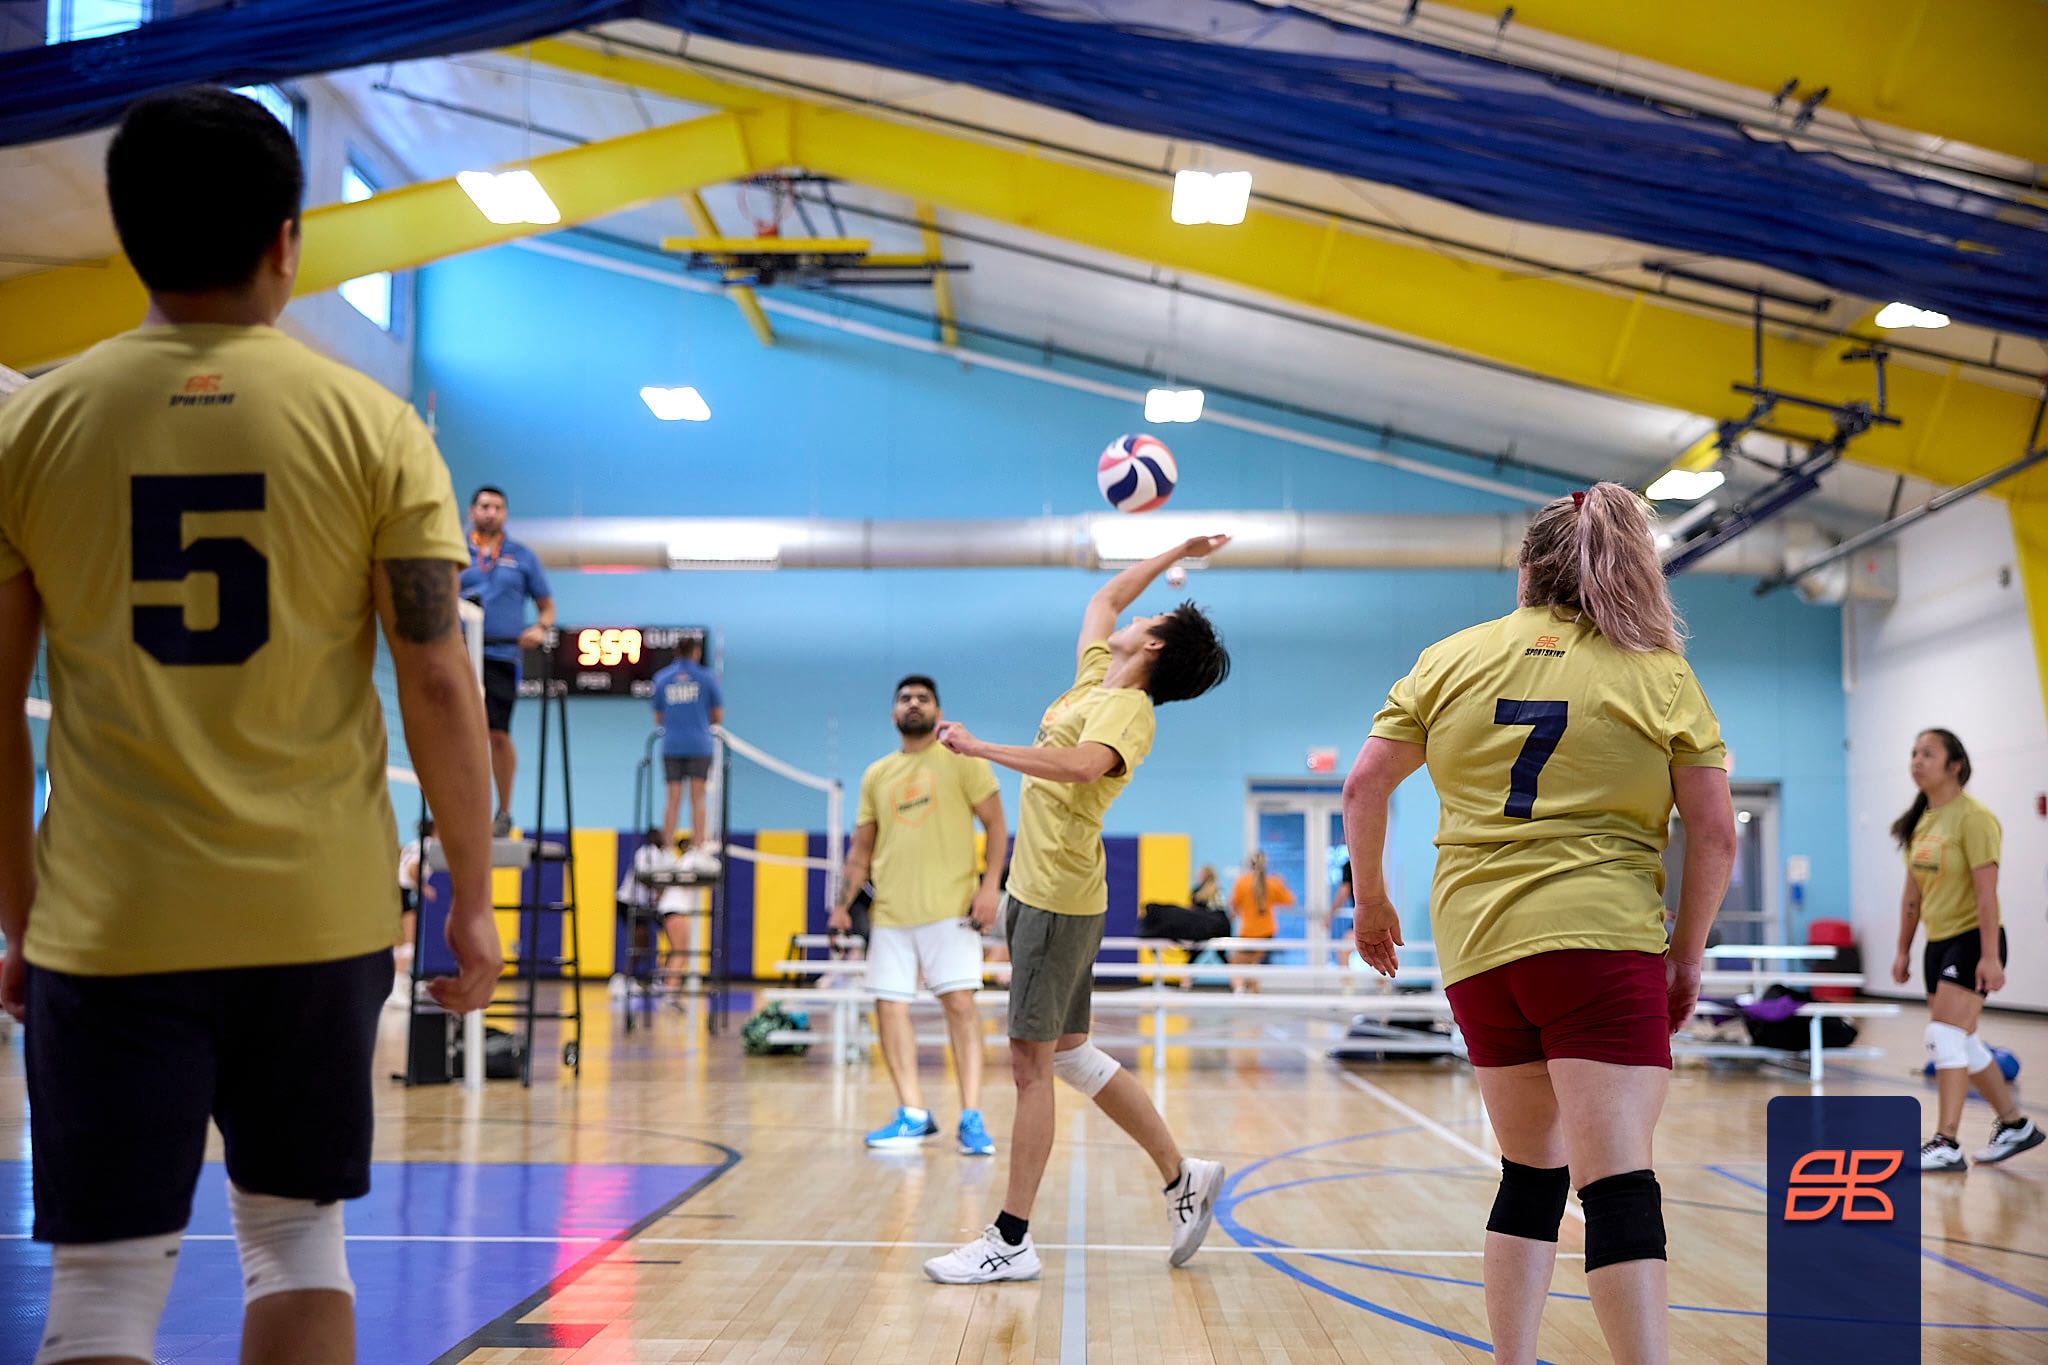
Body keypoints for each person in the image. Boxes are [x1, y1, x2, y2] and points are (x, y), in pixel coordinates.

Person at [0, 87, 500, 1365]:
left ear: (126, 240)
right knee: (296, 1245)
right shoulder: (375, 427)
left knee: (102, 1292)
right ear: (289, 239)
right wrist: (472, 897)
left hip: (108, 921)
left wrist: (21, 916)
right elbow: (438, 682)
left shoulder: (32, 425)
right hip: (314, 917)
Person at [1343, 484, 1736, 1365]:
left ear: (1527, 571)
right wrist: (1686, 958)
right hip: (1599, 941)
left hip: (1478, 948)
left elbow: (1363, 784)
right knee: (1620, 1185)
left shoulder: (1449, 658)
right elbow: (1713, 832)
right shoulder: (1656, 671)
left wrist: (1372, 899)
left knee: (1530, 1174)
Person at [921, 534, 1233, 1285]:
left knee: (1031, 1066)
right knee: (1066, 1053)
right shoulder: (1098, 676)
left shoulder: (1130, 713)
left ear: (1154, 645)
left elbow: (1078, 765)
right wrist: (1174, 549)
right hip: (1039, 892)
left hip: (1058, 897)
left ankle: (1011, 1237)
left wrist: (981, 748)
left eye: (1152, 616)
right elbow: (1104, 599)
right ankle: (1181, 1174)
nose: (1134, 613)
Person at [831, 675, 1008, 1155]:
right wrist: (842, 906)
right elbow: (860, 851)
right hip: (890, 914)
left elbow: (996, 824)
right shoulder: (876, 775)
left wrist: (990, 888)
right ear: (893, 713)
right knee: (889, 1007)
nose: (913, 704)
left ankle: (971, 1117)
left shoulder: (961, 760)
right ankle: (912, 1114)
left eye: (923, 698)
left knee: (961, 1007)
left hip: (951, 909)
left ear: (937, 710)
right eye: (905, 698)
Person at [1889, 729, 2041, 1170]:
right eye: (1914, 753)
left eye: (1927, 754)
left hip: (1974, 938)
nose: (1916, 761)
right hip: (1938, 944)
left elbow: (1986, 894)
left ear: (1954, 765)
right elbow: (1912, 895)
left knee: (1944, 1036)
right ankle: (2014, 1125)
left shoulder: (1974, 818)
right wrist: (1903, 949)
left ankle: (1946, 1141)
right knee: (1965, 1040)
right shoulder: (1921, 821)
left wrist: (1990, 955)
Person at [461, 485, 553, 837]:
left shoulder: (522, 557)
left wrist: (541, 628)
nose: (490, 512)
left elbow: (547, 606)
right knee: (462, 735)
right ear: (472, 511)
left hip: (501, 656)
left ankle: (503, 811)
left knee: (497, 734)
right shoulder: (454, 550)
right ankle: (461, 807)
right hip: (460, 657)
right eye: (484, 506)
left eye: (498, 507)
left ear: (505, 514)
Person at [650, 635, 723, 872]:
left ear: (675, 652)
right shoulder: (707, 678)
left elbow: (658, 717)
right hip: (699, 745)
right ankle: (698, 848)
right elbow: (717, 716)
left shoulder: (661, 679)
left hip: (671, 745)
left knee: (672, 798)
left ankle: (667, 851)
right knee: (697, 797)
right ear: (696, 652)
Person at [1228, 851, 1293, 992]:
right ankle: (1253, 992)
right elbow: (1289, 901)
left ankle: (1239, 991)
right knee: (1251, 965)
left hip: (1248, 934)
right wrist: (1282, 884)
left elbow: (1233, 907)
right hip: (1266, 934)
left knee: (1235, 964)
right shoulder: (1273, 883)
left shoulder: (1242, 882)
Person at [392, 817, 439, 1009]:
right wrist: (423, 888)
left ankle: (400, 983)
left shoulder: (414, 844)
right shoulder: (429, 846)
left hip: (394, 891)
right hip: (404, 891)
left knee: (399, 942)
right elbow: (412, 868)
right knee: (408, 943)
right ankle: (396, 988)